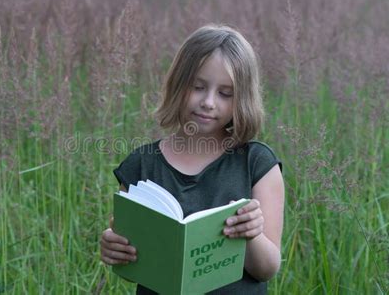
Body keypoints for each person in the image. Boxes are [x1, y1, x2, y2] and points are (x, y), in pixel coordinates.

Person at [100, 23, 285, 294]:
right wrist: (115, 249)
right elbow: (133, 265)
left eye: (225, 93)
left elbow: (267, 269)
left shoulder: (256, 163)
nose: (208, 102)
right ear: (178, 85)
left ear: (242, 98)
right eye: (198, 87)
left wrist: (252, 234)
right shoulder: (142, 164)